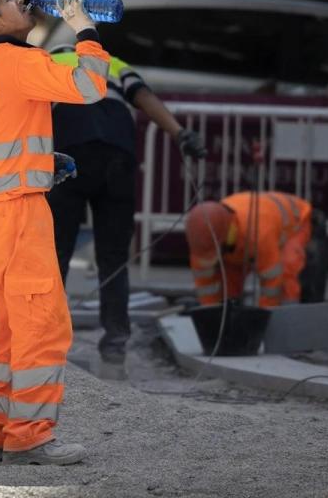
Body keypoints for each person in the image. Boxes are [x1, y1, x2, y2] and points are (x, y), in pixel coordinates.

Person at [0, 0, 109, 466]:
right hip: (20, 212)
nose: (19, 1)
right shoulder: (23, 61)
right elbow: (90, 85)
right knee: (42, 324)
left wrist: (38, 156)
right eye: (6, 1)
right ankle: (30, 436)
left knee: (9, 329)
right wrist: (86, 30)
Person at [45, 46, 207, 363]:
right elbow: (144, 97)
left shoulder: (46, 61)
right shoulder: (113, 62)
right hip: (117, 157)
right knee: (114, 258)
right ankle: (115, 342)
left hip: (68, 155)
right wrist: (179, 133)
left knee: (55, 255)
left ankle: (49, 343)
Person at [184, 191, 328, 309]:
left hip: (298, 222)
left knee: (287, 271)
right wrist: (212, 318)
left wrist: (263, 320)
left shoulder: (258, 233)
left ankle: (291, 321)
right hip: (254, 228)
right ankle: (230, 313)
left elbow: (272, 283)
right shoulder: (203, 238)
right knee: (228, 273)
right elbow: (205, 286)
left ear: (229, 235)